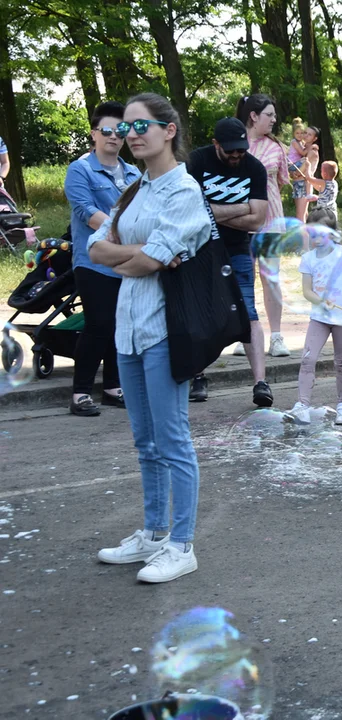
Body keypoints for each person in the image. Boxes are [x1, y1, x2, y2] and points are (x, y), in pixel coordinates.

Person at [88, 92, 209, 583]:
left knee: (173, 438)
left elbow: (144, 262)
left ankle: (182, 544)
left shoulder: (184, 191)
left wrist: (132, 254)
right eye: (123, 129)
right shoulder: (133, 190)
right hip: (128, 328)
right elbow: (97, 250)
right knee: (145, 441)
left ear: (169, 130)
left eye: (141, 127)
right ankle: (154, 534)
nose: (129, 135)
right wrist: (139, 253)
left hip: (165, 328)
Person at [185, 117, 274, 408]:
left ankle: (261, 382)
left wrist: (213, 211)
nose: (237, 155)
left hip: (237, 251)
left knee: (249, 312)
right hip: (200, 249)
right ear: (216, 144)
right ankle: (197, 376)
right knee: (199, 312)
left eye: (241, 150)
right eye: (230, 150)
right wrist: (242, 207)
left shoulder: (254, 167)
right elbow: (192, 211)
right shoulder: (197, 161)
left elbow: (258, 219)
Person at [64, 100, 141, 417]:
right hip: (94, 262)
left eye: (121, 130)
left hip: (127, 263)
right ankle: (80, 392)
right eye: (107, 131)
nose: (114, 136)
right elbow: (87, 214)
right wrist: (125, 235)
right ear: (94, 134)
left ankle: (112, 387)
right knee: (98, 324)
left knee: (122, 324)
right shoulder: (79, 170)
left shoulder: (135, 172)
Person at [288, 208, 342, 426]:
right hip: (320, 317)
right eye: (312, 234)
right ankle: (302, 405)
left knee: (341, 362)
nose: (316, 239)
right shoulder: (308, 258)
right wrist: (322, 301)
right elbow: (307, 291)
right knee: (308, 358)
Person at [236, 94, 292, 359]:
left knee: (270, 277)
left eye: (274, 115)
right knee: (242, 279)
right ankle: (245, 333)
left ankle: (277, 336)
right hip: (239, 222)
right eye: (269, 114)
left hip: (270, 221)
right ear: (253, 116)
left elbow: (281, 182)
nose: (274, 119)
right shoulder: (234, 144)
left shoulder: (276, 147)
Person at [288, 119, 310, 221]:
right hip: (293, 165)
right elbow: (302, 152)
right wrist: (309, 147)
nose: (300, 135)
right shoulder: (294, 142)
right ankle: (298, 173)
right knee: (306, 160)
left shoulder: (301, 142)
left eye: (302, 133)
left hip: (297, 164)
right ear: (293, 134)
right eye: (297, 133)